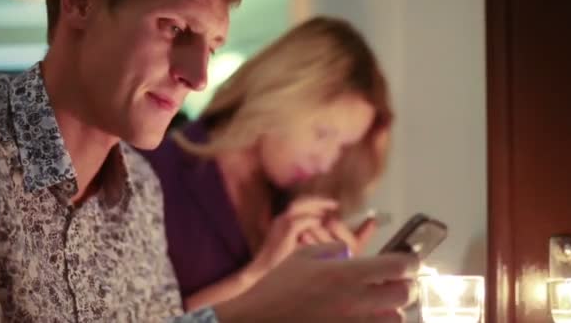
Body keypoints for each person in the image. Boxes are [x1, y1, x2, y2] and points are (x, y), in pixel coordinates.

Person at [0, 0, 419, 322]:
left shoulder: (141, 193)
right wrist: (262, 305)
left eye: (211, 47)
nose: (199, 76)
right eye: (175, 28)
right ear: (80, 2)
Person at [141, 17, 394, 311]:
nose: (326, 163)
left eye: (342, 147)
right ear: (279, 94)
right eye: (322, 133)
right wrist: (262, 272)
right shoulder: (152, 173)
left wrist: (328, 286)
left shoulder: (287, 207)